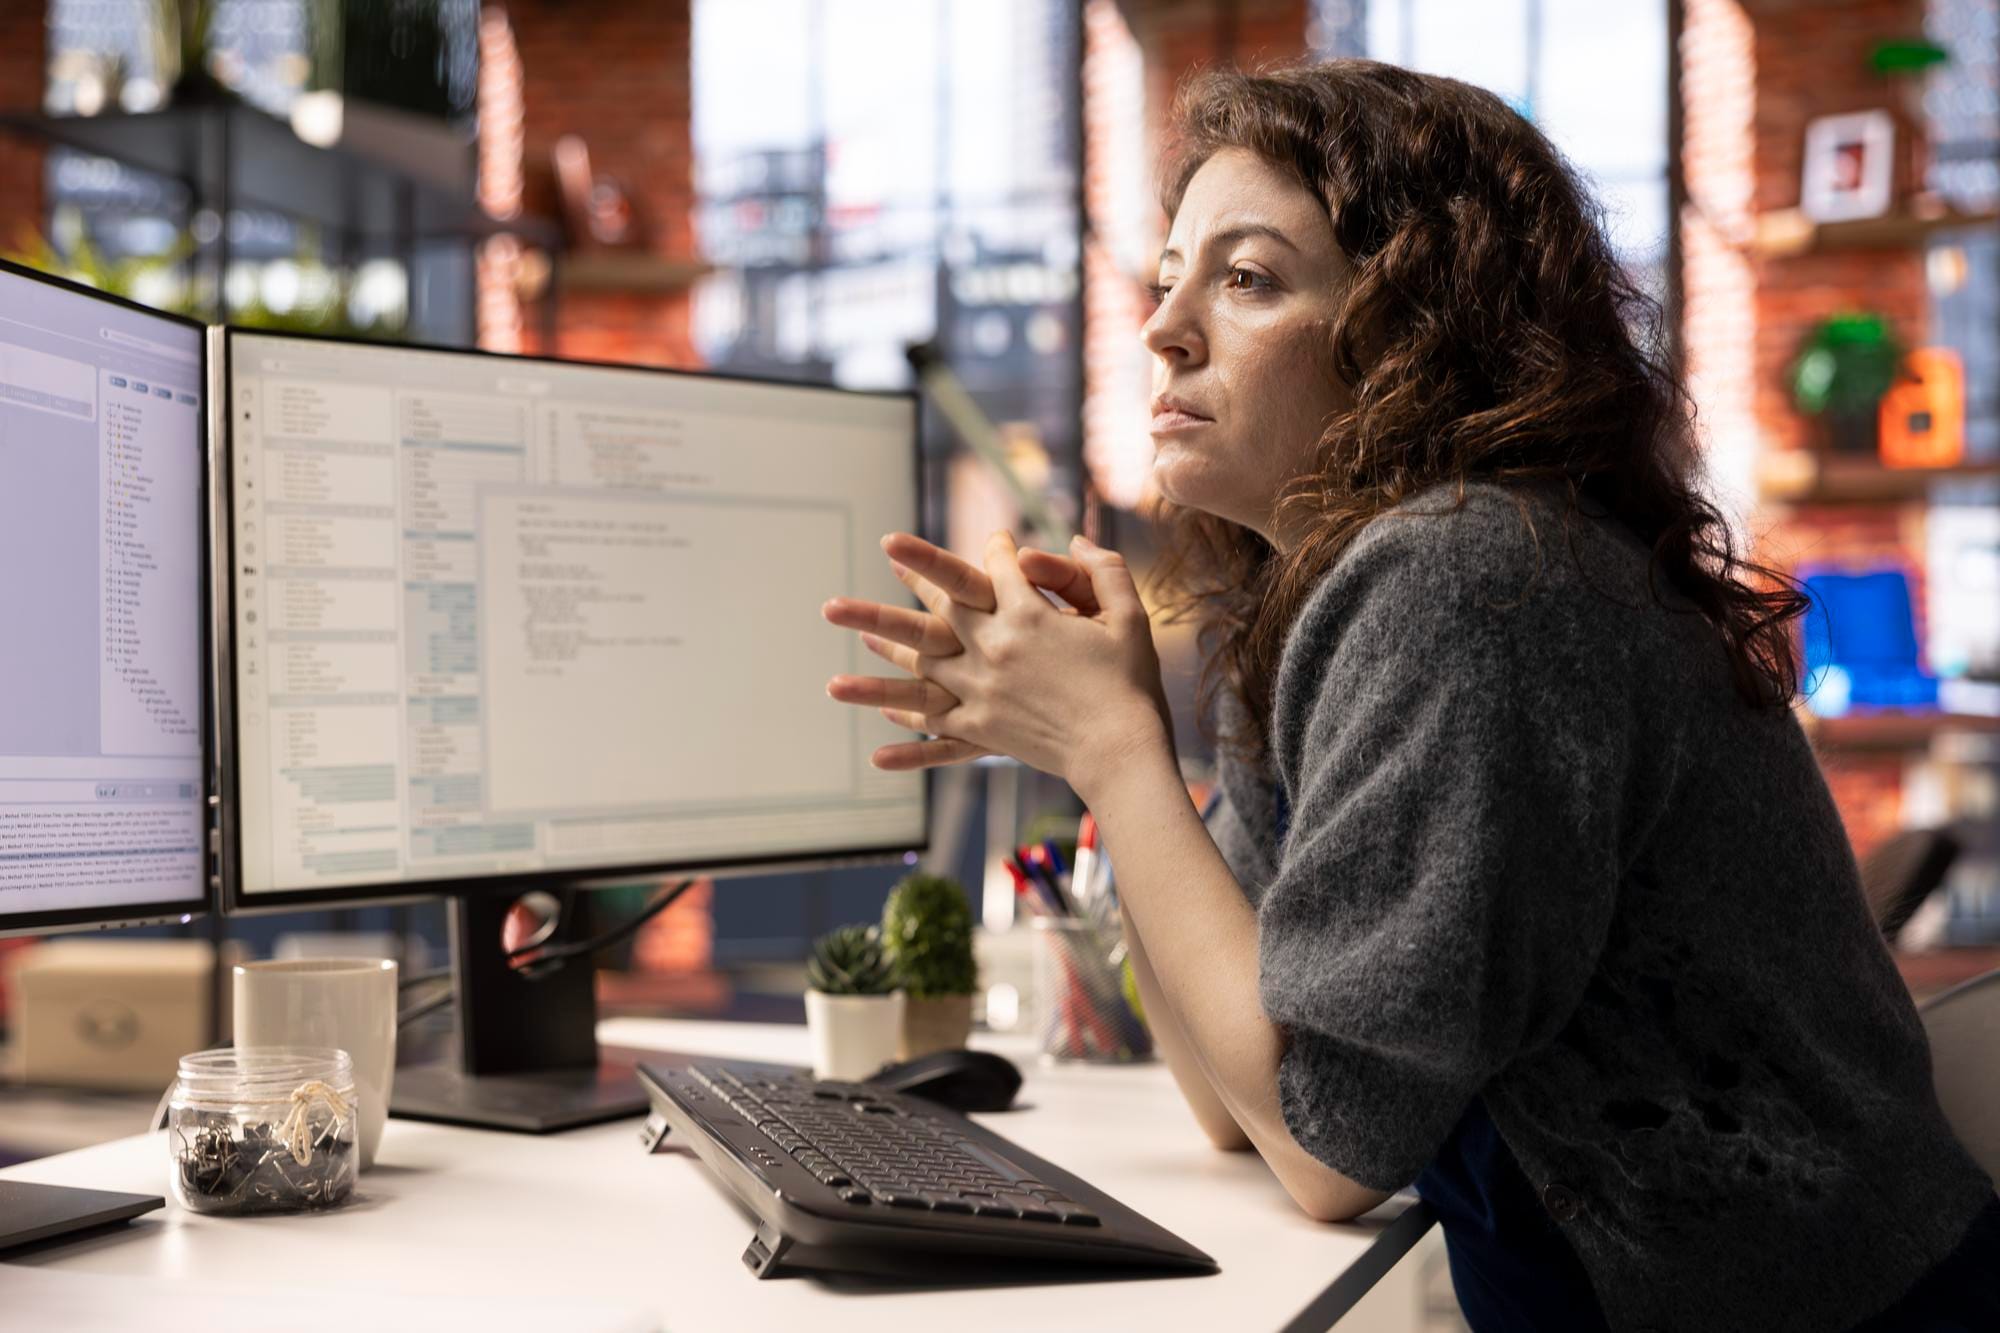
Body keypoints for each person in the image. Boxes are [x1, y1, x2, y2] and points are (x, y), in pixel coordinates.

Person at [821, 61, 1998, 1331]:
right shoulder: (1323, 594)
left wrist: (1112, 757)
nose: (1161, 326)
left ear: (1413, 341)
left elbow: (1325, 1143)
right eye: (1167, 275)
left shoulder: (1469, 576)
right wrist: (1110, 736)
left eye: (1247, 276)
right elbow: (1232, 1098)